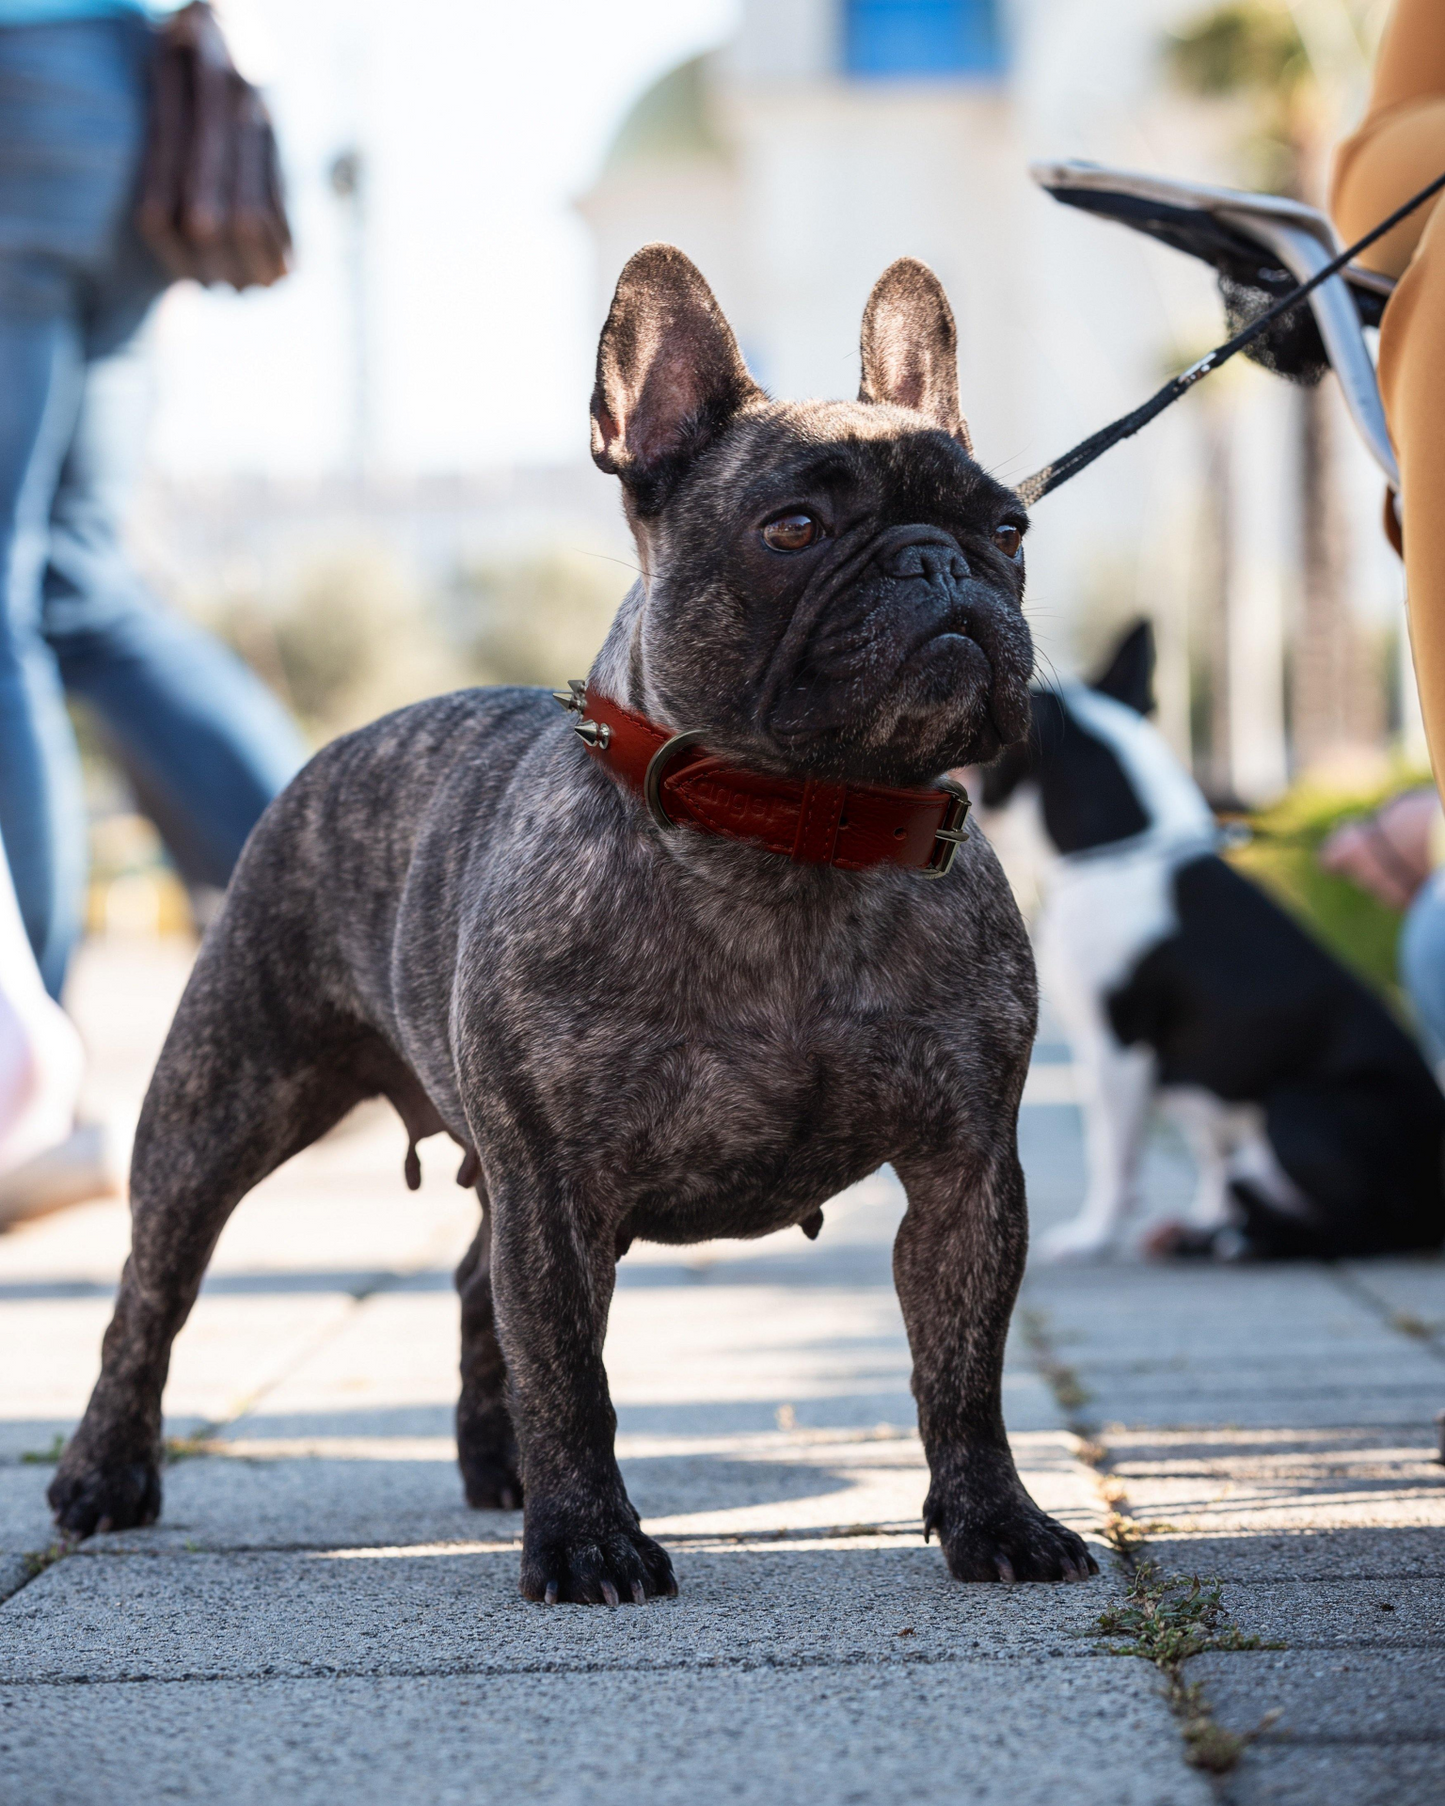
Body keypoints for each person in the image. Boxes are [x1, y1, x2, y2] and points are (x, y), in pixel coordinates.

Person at [0, 0, 307, 1002]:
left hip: (21, 85)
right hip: (135, 106)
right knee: (75, 587)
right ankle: (342, 920)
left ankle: (17, 1063)